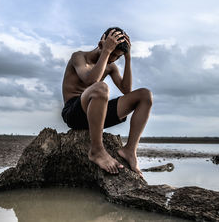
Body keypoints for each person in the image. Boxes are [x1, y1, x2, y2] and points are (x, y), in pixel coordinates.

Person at [61, 27, 152, 177]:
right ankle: (97, 150)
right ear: (101, 43)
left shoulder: (110, 66)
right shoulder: (79, 57)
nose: (113, 59)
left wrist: (128, 58)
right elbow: (91, 81)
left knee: (145, 95)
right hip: (74, 112)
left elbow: (126, 90)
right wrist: (106, 51)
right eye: (112, 54)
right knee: (101, 88)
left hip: (97, 112)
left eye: (117, 56)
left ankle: (129, 150)